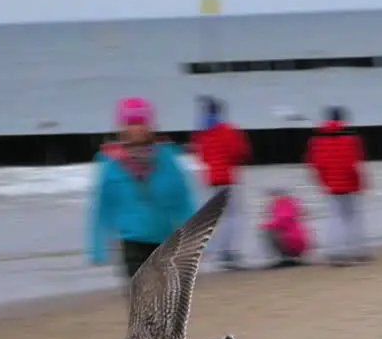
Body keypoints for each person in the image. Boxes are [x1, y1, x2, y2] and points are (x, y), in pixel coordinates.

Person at [89, 97, 199, 294]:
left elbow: (182, 199)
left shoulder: (166, 158)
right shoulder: (112, 164)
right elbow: (104, 208)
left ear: (151, 125)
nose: (137, 128)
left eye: (142, 122)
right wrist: (98, 247)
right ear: (122, 127)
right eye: (131, 123)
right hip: (133, 243)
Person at [304, 106, 372, 266]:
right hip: (350, 184)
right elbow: (355, 164)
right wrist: (362, 183)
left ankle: (334, 251)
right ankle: (357, 250)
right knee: (353, 218)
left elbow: (314, 164)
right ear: (343, 120)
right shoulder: (352, 139)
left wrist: (322, 182)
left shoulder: (316, 141)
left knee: (335, 217)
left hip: (330, 184)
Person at [190, 96, 252, 269]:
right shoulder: (227, 130)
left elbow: (200, 156)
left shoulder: (201, 133)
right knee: (235, 216)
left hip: (210, 178)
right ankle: (230, 252)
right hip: (227, 177)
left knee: (219, 218)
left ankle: (220, 252)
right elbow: (239, 151)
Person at [259, 189, 311, 267]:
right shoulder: (292, 203)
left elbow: (283, 220)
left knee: (270, 232)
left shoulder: (283, 205)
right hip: (299, 241)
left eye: (273, 196)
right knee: (274, 231)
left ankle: (287, 258)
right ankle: (292, 257)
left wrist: (264, 226)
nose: (272, 198)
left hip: (293, 241)